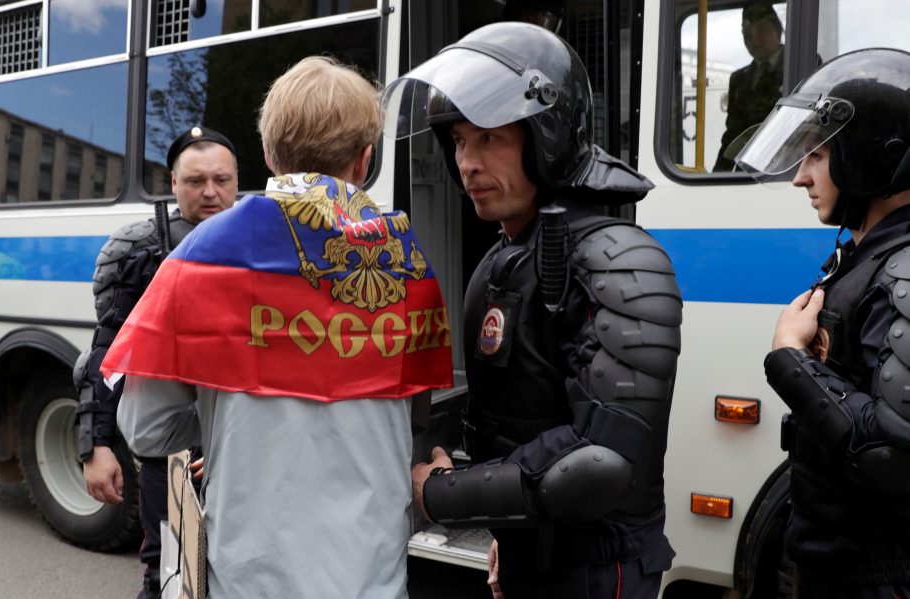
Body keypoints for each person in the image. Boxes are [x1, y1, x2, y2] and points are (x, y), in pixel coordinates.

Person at [106, 56, 453, 598]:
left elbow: (147, 428)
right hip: (373, 574)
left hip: (248, 576)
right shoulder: (409, 263)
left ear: (268, 154)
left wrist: (226, 421)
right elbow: (416, 418)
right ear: (364, 161)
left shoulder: (204, 255)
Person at [382, 22, 682, 598]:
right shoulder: (505, 256)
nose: (467, 162)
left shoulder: (619, 259)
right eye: (459, 141)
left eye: (489, 138)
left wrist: (440, 493)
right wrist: (509, 531)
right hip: (534, 552)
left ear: (547, 136)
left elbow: (598, 461)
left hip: (596, 567)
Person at [736, 48, 910, 598]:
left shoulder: (901, 270)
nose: (800, 177)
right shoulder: (870, 256)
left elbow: (891, 455)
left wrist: (789, 359)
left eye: (817, 155)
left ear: (868, 156)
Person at [73, 125, 238, 599]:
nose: (210, 191)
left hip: (245, 447)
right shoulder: (137, 254)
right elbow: (108, 356)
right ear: (173, 183)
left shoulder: (266, 246)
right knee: (171, 575)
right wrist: (96, 445)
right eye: (195, 180)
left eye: (221, 179)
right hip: (170, 455)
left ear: (238, 180)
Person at [713, 0, 785, 172]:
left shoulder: (802, 63)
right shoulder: (738, 79)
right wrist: (717, 176)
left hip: (785, 170)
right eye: (746, 33)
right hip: (746, 172)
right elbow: (733, 135)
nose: (754, 39)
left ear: (778, 29)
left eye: (761, 30)